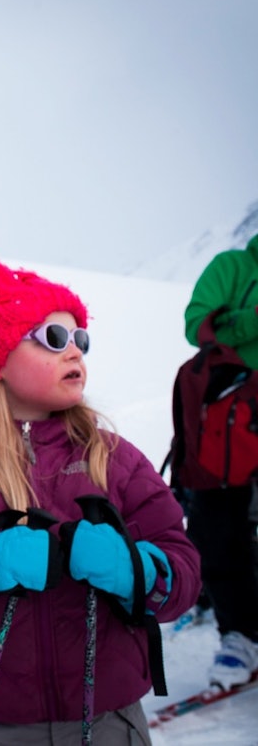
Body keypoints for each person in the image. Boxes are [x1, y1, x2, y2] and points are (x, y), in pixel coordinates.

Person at [0, 245, 201, 745]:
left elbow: (184, 569)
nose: (75, 352)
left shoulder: (114, 458)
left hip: (110, 723)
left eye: (80, 339)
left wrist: (138, 569)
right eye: (54, 338)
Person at [182, 231, 258, 688]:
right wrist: (250, 321)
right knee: (216, 527)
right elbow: (198, 324)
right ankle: (240, 634)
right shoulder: (232, 267)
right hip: (227, 422)